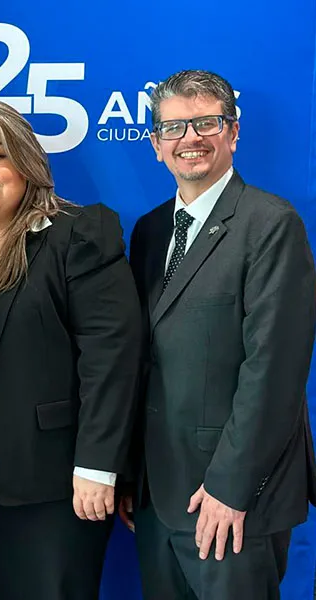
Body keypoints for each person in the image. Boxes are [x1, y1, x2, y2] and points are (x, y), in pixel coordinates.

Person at [0, 96, 142, 599]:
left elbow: (111, 359)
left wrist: (96, 467)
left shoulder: (78, 235)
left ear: (26, 164)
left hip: (60, 485)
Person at [124, 69, 316, 599]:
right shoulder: (149, 230)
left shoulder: (271, 224)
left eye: (207, 122)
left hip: (231, 499)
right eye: (175, 128)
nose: (191, 139)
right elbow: (144, 360)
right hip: (157, 495)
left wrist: (231, 489)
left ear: (232, 133)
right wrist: (131, 474)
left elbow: (274, 371)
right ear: (157, 145)